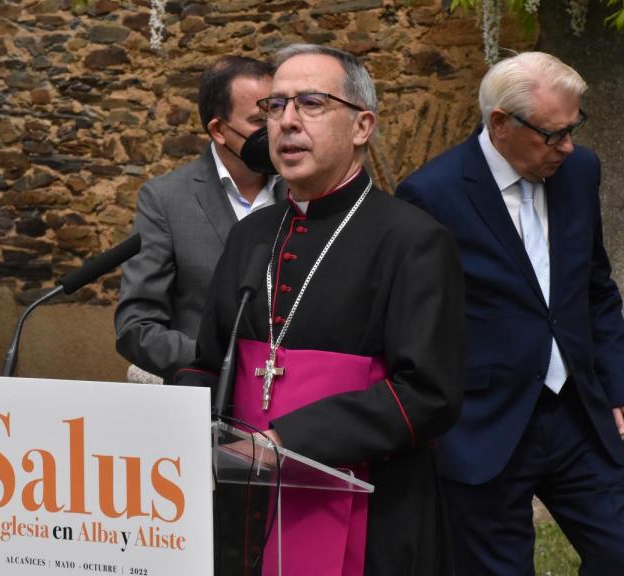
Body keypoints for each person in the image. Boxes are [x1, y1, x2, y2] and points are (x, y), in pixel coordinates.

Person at [177, 44, 464, 576]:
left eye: (310, 103)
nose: (286, 123)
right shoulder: (251, 236)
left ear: (362, 127)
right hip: (247, 503)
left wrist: (288, 441)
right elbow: (207, 361)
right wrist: (174, 427)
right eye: (275, 106)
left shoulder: (414, 240)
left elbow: (428, 393)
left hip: (369, 506)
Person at [396, 51, 624, 575]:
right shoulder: (431, 193)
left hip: (577, 415)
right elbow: (417, 324)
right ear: (500, 124)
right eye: (552, 134)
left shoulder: (580, 172)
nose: (568, 145)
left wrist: (621, 386)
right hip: (483, 424)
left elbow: (595, 289)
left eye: (573, 128)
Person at [115, 55, 287, 383]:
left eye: (276, 112)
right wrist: (217, 361)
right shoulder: (166, 199)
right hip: (204, 402)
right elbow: (136, 328)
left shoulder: (301, 191)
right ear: (219, 130)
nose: (275, 130)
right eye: (258, 120)